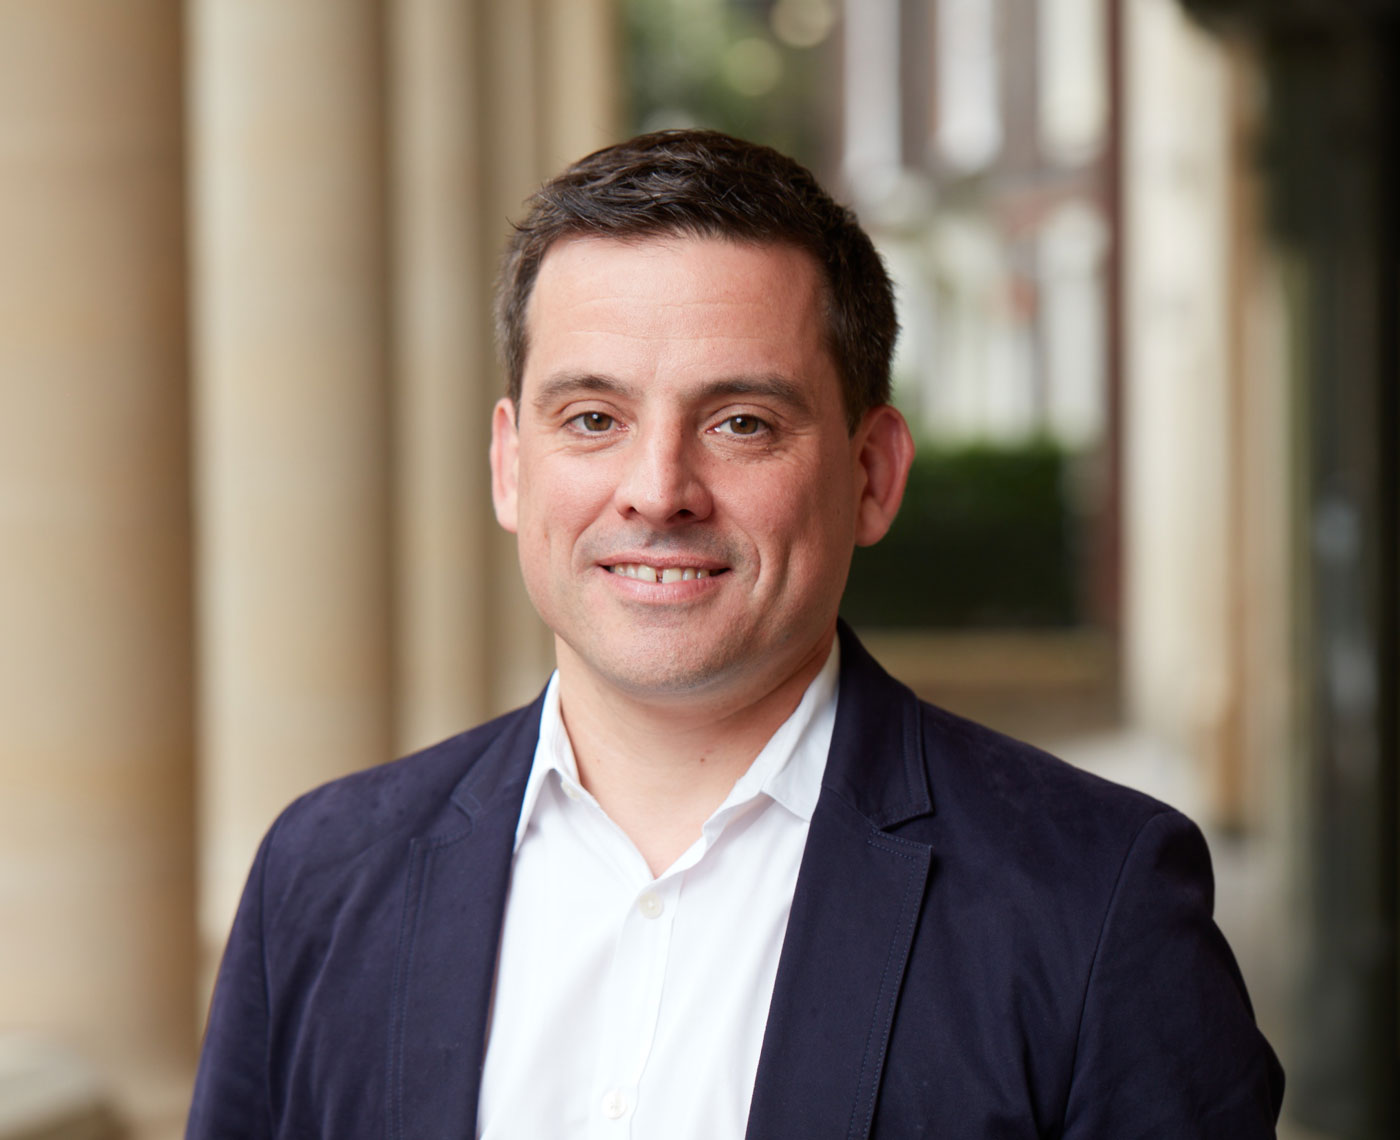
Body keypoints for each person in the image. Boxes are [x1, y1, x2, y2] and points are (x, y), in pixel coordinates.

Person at [186, 130, 1283, 1139]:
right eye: (592, 419)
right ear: (511, 465)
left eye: (739, 423)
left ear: (870, 474)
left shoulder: (1093, 903)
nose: (657, 491)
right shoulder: (318, 879)